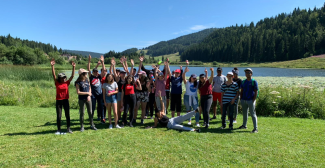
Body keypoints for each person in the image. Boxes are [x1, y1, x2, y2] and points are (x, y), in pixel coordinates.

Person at [51, 59, 75, 135]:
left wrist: (73, 67)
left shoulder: (67, 83)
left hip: (65, 100)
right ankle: (58, 129)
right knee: (59, 116)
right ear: (59, 78)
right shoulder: (57, 83)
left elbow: (72, 76)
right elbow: (53, 75)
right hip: (59, 101)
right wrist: (52, 66)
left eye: (64, 77)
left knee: (67, 115)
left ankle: (68, 128)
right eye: (62, 77)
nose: (64, 78)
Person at [238, 68, 258, 133]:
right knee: (244, 113)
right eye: (246, 73)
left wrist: (253, 100)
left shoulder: (254, 81)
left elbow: (256, 91)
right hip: (244, 100)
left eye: (248, 72)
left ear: (251, 73)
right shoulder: (243, 81)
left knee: (253, 114)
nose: (247, 74)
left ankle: (255, 128)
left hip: (251, 100)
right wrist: (241, 98)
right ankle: (244, 125)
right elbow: (242, 90)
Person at [88, 55, 105, 124]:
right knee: (93, 107)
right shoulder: (91, 77)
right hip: (93, 95)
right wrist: (89, 61)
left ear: (98, 72)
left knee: (101, 106)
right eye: (94, 72)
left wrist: (102, 62)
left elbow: (103, 70)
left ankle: (102, 118)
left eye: (96, 72)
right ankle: (91, 119)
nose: (95, 73)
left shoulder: (99, 77)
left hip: (100, 94)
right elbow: (88, 69)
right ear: (93, 72)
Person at [182, 60, 200, 127]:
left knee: (196, 109)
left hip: (194, 97)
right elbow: (183, 76)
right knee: (188, 109)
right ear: (191, 77)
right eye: (193, 78)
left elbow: (205, 79)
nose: (194, 79)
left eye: (195, 78)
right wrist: (186, 68)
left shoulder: (197, 83)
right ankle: (189, 120)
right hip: (187, 97)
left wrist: (206, 73)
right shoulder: (187, 82)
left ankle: (197, 122)